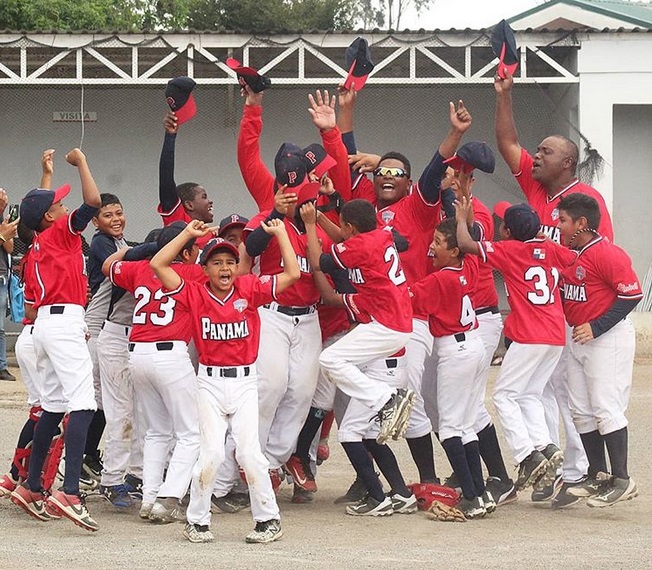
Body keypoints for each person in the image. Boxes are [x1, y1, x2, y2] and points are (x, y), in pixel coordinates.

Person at [338, 97, 472, 486]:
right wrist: (345, 109)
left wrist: (455, 133)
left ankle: (427, 481)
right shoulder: (367, 212)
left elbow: (432, 173)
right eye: (381, 172)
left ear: (408, 182)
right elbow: (346, 158)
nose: (386, 177)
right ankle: (378, 482)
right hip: (378, 324)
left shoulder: (418, 206)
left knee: (408, 407)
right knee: (377, 404)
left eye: (396, 173)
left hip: (411, 323)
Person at [494, 68, 613, 499]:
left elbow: (599, 259)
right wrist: (504, 94)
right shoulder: (537, 190)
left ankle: (578, 471)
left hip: (571, 315)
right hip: (544, 315)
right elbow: (507, 143)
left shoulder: (585, 202)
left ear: (567, 162)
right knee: (538, 391)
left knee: (567, 394)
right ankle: (550, 464)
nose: (535, 157)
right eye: (537, 151)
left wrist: (590, 318)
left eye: (545, 152)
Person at [150, 219, 299, 544]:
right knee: (211, 455)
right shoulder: (194, 294)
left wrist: (283, 234)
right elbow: (157, 264)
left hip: (245, 383)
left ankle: (268, 520)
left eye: (230, 262)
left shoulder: (249, 288)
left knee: (250, 454)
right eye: (216, 262)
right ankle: (198, 522)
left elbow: (293, 275)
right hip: (209, 383)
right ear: (204, 269)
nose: (225, 268)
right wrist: (188, 235)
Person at [455, 197, 576, 494]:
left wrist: (460, 219)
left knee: (504, 396)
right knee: (530, 395)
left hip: (529, 334)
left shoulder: (511, 250)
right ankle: (545, 447)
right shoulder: (548, 248)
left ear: (508, 232)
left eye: (503, 226)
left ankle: (525, 455)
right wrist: (544, 243)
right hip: (555, 335)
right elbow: (572, 260)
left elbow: (466, 244)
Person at [10, 148, 101, 532]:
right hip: (64, 324)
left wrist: (44, 175)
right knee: (83, 404)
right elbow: (94, 202)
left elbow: (30, 310)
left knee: (52, 405)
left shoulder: (33, 250)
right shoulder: (61, 234)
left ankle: (32, 486)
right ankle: (70, 492)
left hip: (42, 325)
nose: (64, 208)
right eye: (59, 205)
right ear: (50, 217)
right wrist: (81, 163)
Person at [102, 222, 203, 522]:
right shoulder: (192, 272)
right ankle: (168, 498)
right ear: (184, 252)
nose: (197, 254)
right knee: (190, 433)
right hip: (170, 355)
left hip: (137, 355)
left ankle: (149, 498)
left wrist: (140, 250)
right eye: (194, 249)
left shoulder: (140, 269)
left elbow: (110, 264)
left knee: (156, 431)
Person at [555, 193, 641, 508]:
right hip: (579, 338)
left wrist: (597, 326)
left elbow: (631, 296)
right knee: (581, 409)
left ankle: (622, 479)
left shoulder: (607, 254)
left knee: (606, 407)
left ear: (582, 224)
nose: (558, 226)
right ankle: (598, 474)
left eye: (563, 220)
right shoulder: (571, 253)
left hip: (607, 338)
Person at [439, 158, 515, 506]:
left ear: (466, 180)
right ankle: (473, 473)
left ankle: (498, 477)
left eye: (453, 174)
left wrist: (464, 213)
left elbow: (476, 240)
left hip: (479, 319)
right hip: (457, 321)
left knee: (468, 406)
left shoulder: (477, 210)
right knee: (458, 405)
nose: (447, 178)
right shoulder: (444, 207)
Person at [410, 217, 489, 519]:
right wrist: (464, 217)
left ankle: (471, 496)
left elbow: (407, 298)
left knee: (450, 428)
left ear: (455, 251)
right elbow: (469, 241)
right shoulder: (467, 267)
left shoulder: (440, 279)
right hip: (473, 344)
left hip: (455, 350)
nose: (431, 247)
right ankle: (479, 493)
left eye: (438, 243)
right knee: (465, 424)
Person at [158, 111, 214, 248]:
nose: (210, 201)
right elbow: (166, 178)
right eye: (204, 196)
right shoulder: (178, 221)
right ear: (189, 205)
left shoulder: (212, 234)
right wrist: (170, 136)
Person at [0, 187, 16, 381]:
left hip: (1, 276)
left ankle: (2, 365)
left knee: (0, 327)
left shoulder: (3, 219)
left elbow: (10, 247)